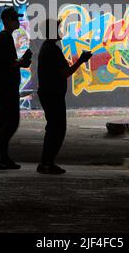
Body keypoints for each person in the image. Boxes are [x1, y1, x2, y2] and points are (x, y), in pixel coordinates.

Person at [37, 19, 92, 175]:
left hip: (48, 93)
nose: (61, 30)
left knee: (53, 128)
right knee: (57, 129)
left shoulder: (46, 48)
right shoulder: (53, 50)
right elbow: (65, 73)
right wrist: (81, 61)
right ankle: (47, 162)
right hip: (53, 95)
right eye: (58, 28)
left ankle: (46, 162)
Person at [0, 7, 32, 170]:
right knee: (12, 122)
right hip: (6, 88)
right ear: (8, 21)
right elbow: (8, 64)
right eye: (14, 19)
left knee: (4, 123)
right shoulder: (4, 37)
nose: (17, 21)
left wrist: (21, 61)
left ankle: (2, 156)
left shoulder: (4, 37)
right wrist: (23, 62)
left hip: (4, 87)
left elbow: (7, 62)